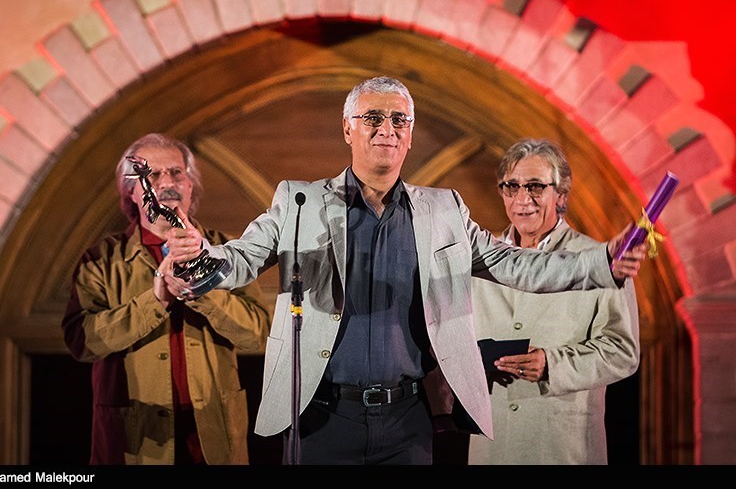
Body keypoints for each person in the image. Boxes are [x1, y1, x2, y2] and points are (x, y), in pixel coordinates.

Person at [163, 76, 647, 465]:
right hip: (323, 415)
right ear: (348, 129)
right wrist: (200, 256)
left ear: (410, 134)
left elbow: (515, 264)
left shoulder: (444, 210)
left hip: (408, 420)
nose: (387, 129)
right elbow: (240, 258)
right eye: (373, 118)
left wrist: (601, 261)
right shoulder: (299, 201)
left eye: (399, 120)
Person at [62, 133, 271, 465]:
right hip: (136, 441)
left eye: (176, 173)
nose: (167, 183)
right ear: (131, 191)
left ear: (190, 185)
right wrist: (156, 299)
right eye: (152, 175)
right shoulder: (101, 260)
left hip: (213, 435)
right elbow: (82, 342)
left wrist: (201, 291)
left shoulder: (227, 250)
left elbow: (258, 334)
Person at [467, 138, 640, 465]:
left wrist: (553, 364)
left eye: (535, 187)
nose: (522, 199)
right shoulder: (478, 260)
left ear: (561, 195)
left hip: (562, 446)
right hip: (492, 445)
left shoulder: (599, 261)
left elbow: (622, 352)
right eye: (512, 186)